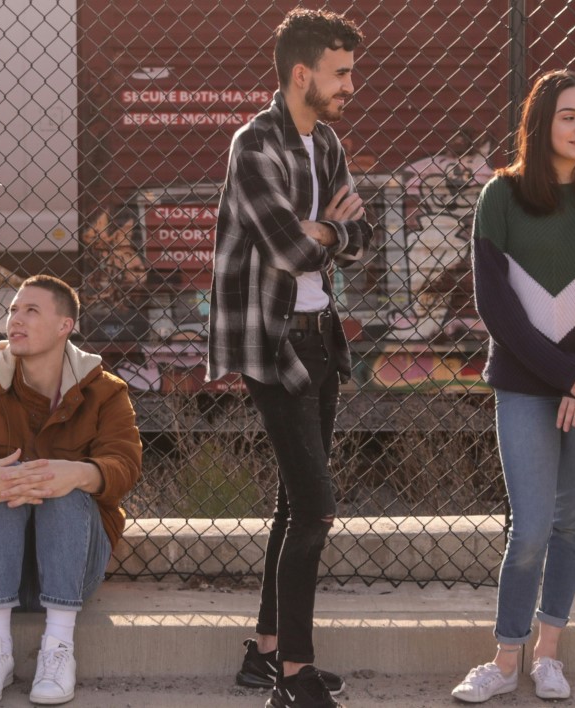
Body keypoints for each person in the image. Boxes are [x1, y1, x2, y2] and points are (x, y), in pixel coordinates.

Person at [450, 70, 575, 704]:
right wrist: (565, 376)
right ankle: (506, 660)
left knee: (568, 523)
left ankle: (549, 656)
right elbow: (495, 307)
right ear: (540, 125)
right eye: (568, 116)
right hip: (528, 386)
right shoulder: (499, 198)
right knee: (529, 527)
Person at [206, 8, 374, 708]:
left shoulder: (326, 141)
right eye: (340, 73)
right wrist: (331, 229)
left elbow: (357, 238)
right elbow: (288, 249)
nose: (350, 86)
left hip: (320, 336)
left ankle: (268, 654)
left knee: (292, 504)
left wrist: (327, 228)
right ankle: (296, 678)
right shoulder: (255, 145)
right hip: (271, 341)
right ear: (301, 73)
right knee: (316, 508)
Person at [0, 276, 143, 705]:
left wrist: (79, 474)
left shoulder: (106, 391)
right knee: (3, 484)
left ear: (65, 326)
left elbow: (125, 463)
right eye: (13, 310)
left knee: (61, 486)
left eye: (31, 311)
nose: (16, 320)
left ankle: (58, 648)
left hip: (72, 574)